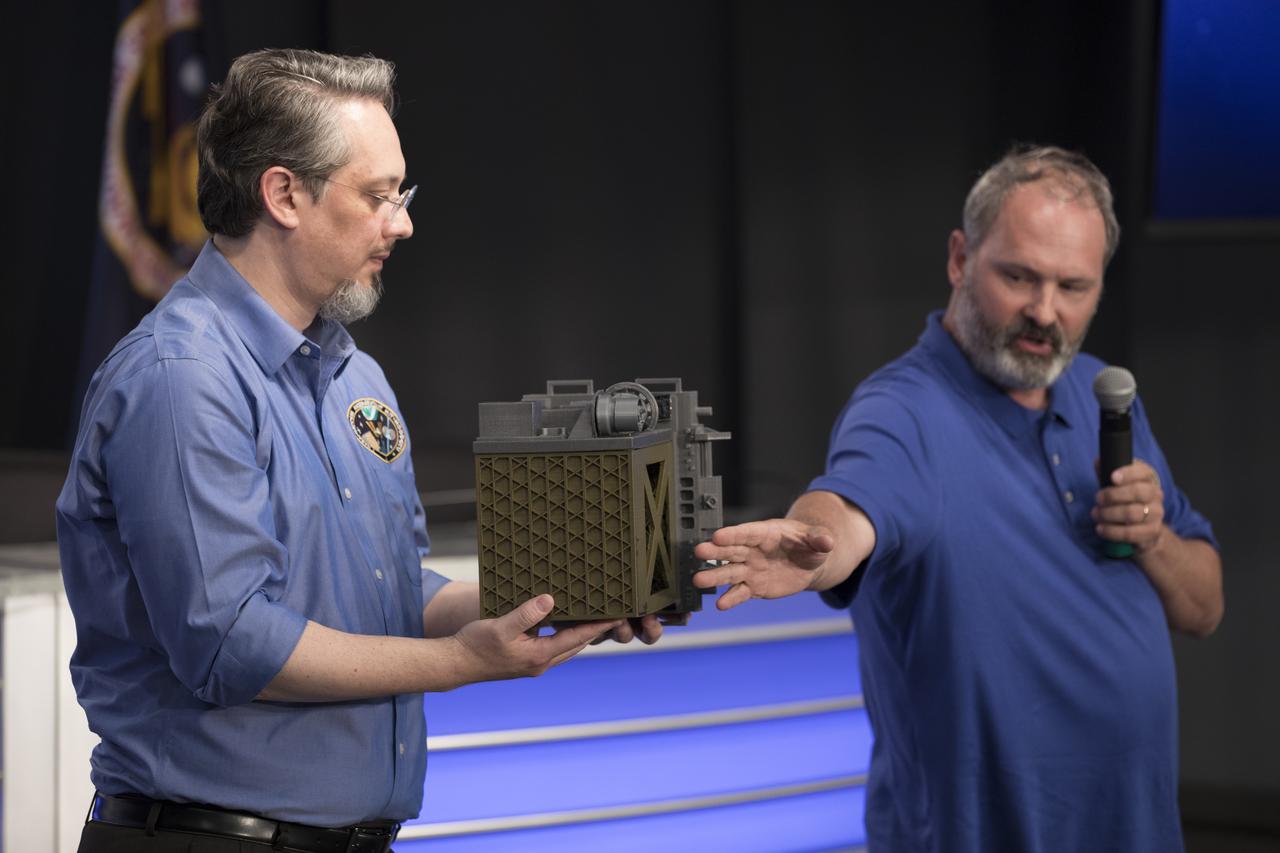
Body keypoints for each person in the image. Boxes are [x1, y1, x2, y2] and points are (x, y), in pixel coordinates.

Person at [56, 48, 661, 853]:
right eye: (378, 196)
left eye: (400, 194)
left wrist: (551, 594)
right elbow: (233, 644)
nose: (402, 221)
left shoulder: (352, 373)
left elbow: (391, 586)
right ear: (283, 195)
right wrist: (462, 662)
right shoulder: (181, 377)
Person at [694, 145, 1223, 852]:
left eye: (1072, 286)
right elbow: (851, 508)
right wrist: (814, 544)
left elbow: (1204, 607)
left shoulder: (1105, 394)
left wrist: (1154, 537)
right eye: (1018, 276)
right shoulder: (903, 409)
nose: (1044, 311)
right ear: (959, 259)